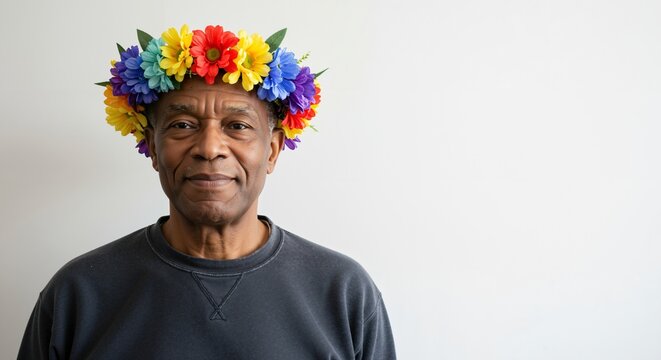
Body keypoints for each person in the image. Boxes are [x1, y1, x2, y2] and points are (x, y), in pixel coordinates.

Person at [18, 24, 396, 359]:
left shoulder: (344, 292)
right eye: (182, 124)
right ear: (152, 146)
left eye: (237, 126)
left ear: (273, 150)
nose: (210, 147)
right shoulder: (80, 292)